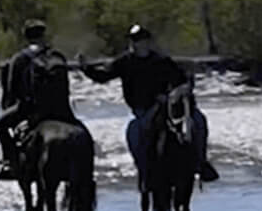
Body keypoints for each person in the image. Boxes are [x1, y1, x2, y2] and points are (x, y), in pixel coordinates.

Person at [78, 24, 217, 186]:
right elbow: (103, 76)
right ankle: (143, 169)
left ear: (148, 42)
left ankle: (201, 161)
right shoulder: (124, 62)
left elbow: (181, 79)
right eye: (136, 40)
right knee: (134, 131)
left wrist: (179, 91)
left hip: (167, 107)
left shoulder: (161, 61)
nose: (139, 43)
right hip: (142, 109)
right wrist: (86, 68)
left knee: (199, 120)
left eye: (142, 40)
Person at [0, 17, 77, 180]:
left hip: (30, 109)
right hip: (61, 109)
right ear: (43, 35)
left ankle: (10, 162)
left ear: (26, 36)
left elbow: (11, 92)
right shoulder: (57, 56)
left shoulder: (19, 59)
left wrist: (11, 107)